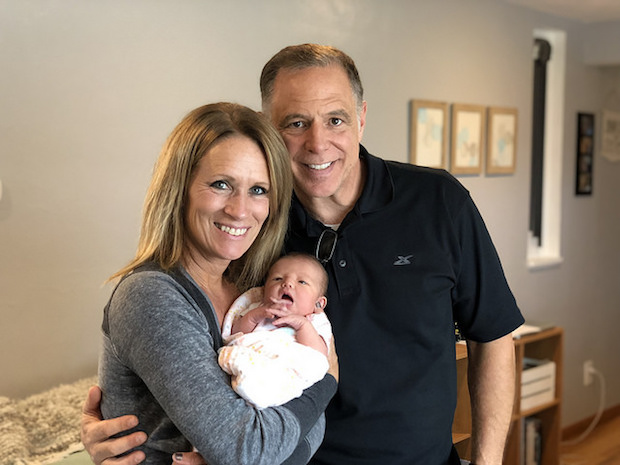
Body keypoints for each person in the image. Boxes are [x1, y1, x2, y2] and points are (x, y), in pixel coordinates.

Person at [82, 45, 524, 465]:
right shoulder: (255, 233)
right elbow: (189, 361)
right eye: (295, 123)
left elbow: (492, 335)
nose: (318, 143)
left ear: (362, 118)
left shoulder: (437, 201)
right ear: (269, 128)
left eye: (336, 119)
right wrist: (120, 426)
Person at [95, 102, 338, 465]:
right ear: (180, 188)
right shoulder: (150, 296)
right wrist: (327, 381)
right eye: (221, 184)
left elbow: (310, 429)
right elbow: (247, 450)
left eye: (259, 190)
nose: (240, 210)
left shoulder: (254, 292)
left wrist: (281, 450)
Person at [219, 252, 332, 409]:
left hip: (286, 370)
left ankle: (260, 393)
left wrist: (302, 325)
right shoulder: (257, 308)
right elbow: (236, 334)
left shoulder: (314, 321)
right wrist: (254, 317)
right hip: (255, 359)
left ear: (318, 303)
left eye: (302, 282)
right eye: (277, 279)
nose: (287, 283)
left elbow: (319, 354)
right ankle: (251, 386)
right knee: (233, 357)